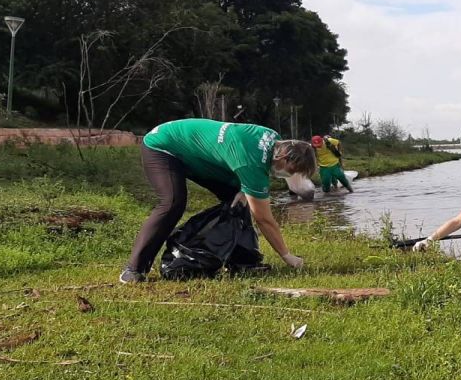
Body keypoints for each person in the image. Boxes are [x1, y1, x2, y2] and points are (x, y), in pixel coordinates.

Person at [120, 118, 318, 283]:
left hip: (199, 156)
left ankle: (244, 263)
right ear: (284, 156)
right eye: (291, 171)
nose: (286, 175)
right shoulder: (249, 160)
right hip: (162, 146)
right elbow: (264, 219)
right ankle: (134, 269)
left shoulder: (272, 138)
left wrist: (243, 190)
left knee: (238, 199)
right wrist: (287, 256)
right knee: (172, 202)